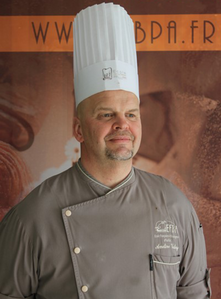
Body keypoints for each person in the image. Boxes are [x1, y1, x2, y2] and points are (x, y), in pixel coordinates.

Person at [0, 3, 211, 299]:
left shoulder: (175, 207)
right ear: (78, 130)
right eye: (105, 114)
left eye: (132, 114)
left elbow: (194, 295)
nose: (122, 124)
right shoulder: (31, 218)